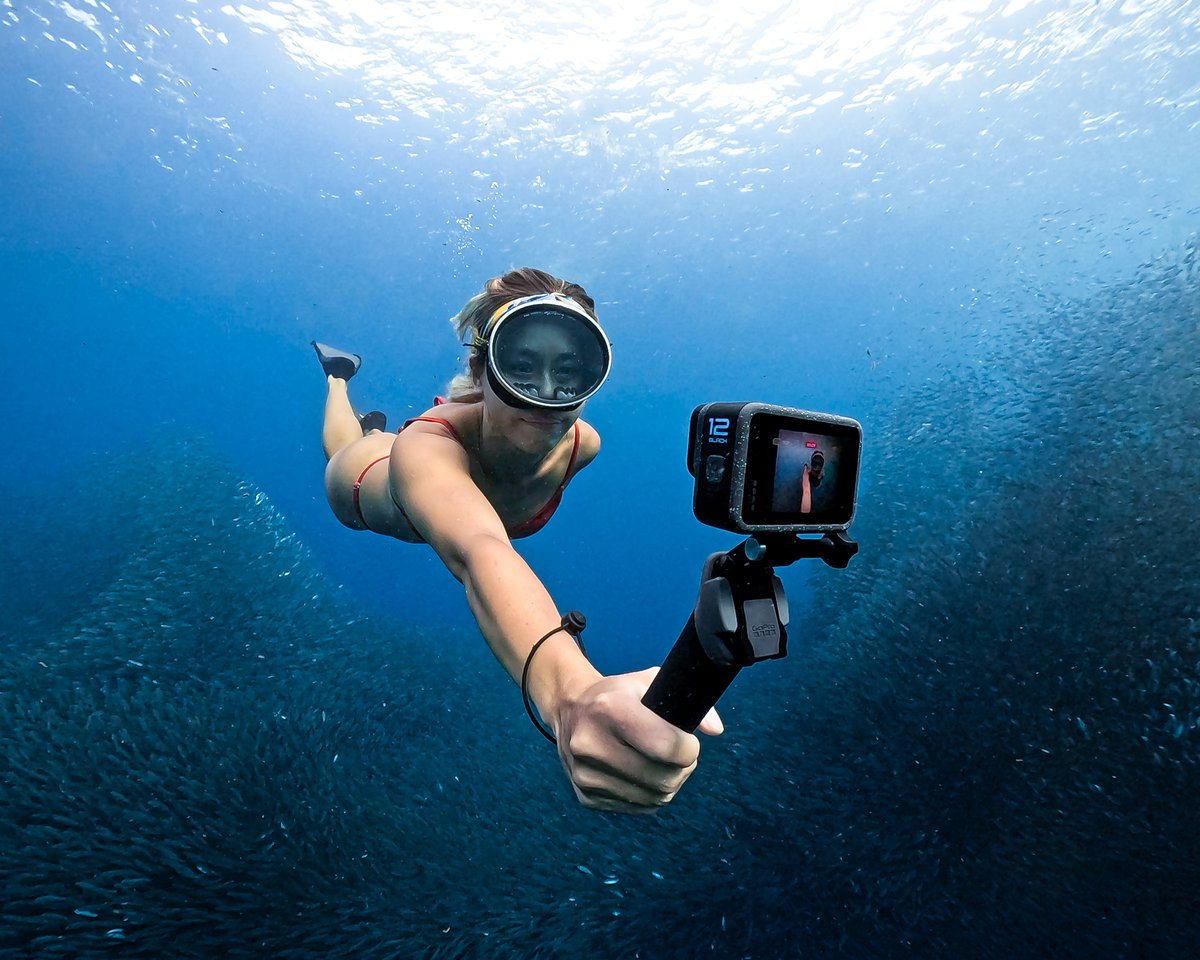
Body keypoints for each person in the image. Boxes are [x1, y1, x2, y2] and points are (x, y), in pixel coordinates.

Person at [314, 267, 722, 814]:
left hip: (449, 456)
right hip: (369, 477)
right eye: (521, 368)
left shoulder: (583, 445)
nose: (546, 397)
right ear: (484, 373)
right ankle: (339, 379)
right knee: (349, 443)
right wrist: (572, 695)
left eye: (570, 372)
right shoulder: (426, 451)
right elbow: (483, 549)